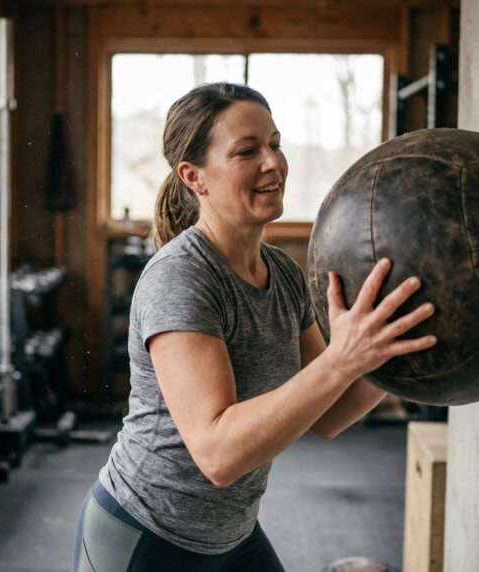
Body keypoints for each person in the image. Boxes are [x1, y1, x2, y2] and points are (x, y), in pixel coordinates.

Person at [71, 82, 436, 572]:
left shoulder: (282, 272)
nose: (273, 162)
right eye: (247, 151)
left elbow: (328, 413)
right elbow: (218, 453)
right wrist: (343, 357)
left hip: (233, 536)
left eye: (275, 144)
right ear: (193, 176)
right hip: (145, 537)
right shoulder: (181, 277)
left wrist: (390, 350)